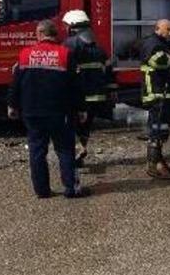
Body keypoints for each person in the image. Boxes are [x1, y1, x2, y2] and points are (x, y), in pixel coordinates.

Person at [8, 20, 90, 199]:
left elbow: (16, 83)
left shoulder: (25, 55)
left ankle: (42, 191)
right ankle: (71, 188)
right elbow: (76, 86)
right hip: (60, 112)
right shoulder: (65, 54)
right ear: (56, 34)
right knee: (65, 150)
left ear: (38, 34)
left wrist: (12, 105)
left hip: (32, 112)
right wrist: (82, 109)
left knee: (37, 151)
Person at [62, 10, 114, 166]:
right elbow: (109, 72)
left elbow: (64, 69)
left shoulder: (70, 44)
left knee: (71, 125)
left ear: (72, 26)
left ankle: (75, 153)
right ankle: (81, 149)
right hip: (97, 96)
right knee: (85, 126)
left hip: (79, 96)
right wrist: (111, 91)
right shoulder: (98, 48)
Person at [140, 19, 170, 179]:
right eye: (168, 30)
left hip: (161, 93)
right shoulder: (152, 43)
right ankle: (153, 166)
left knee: (161, 129)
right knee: (157, 130)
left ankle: (160, 164)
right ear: (158, 28)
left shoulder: (160, 43)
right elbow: (159, 60)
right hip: (156, 92)